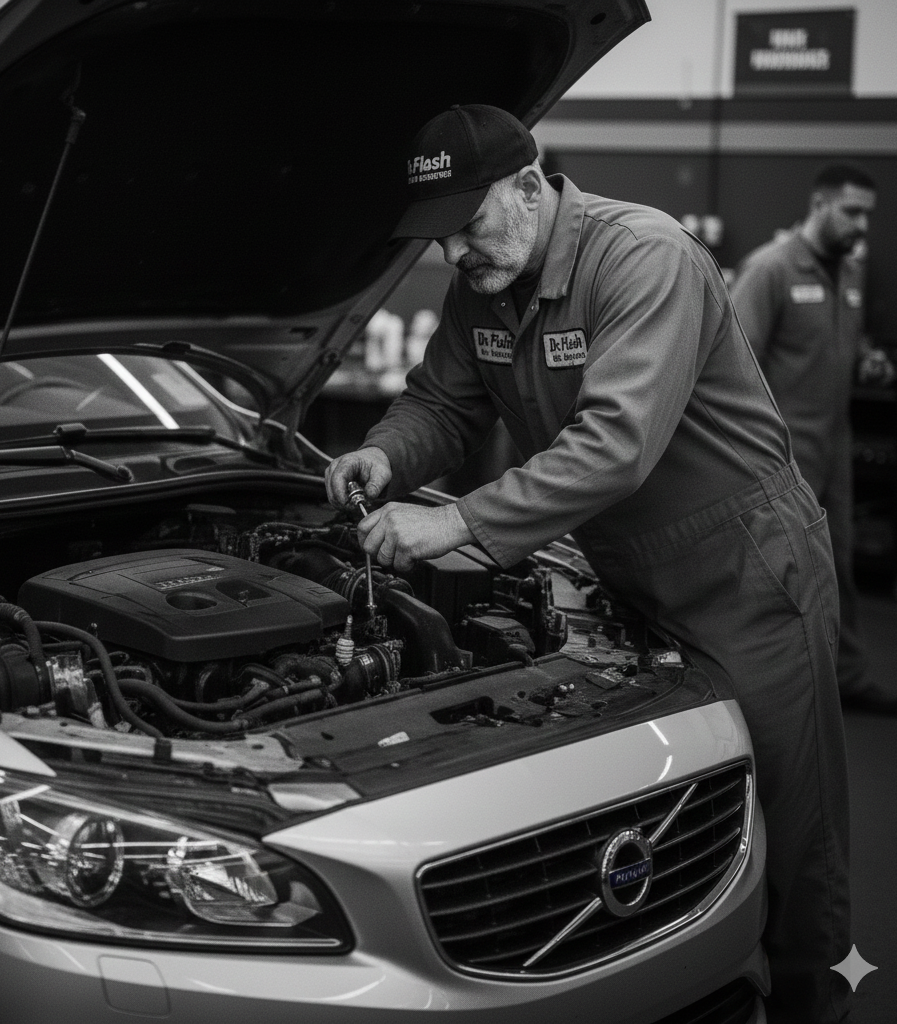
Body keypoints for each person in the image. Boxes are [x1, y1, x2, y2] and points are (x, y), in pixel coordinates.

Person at [325, 104, 851, 1024]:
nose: (454, 256)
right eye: (437, 239)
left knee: (792, 838)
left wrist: (452, 529)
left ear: (530, 188)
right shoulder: (483, 287)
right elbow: (443, 407)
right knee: (665, 818)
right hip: (621, 569)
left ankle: (818, 1008)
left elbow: (615, 446)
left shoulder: (644, 256)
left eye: (466, 227)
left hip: (745, 572)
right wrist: (387, 457)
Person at [731, 165, 897, 716]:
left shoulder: (848, 273)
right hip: (781, 458)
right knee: (779, 579)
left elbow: (836, 348)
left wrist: (867, 360)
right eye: (852, 212)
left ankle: (845, 676)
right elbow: (732, 365)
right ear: (819, 204)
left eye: (867, 214)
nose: (862, 226)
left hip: (836, 448)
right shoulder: (771, 269)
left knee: (840, 568)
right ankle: (778, 693)